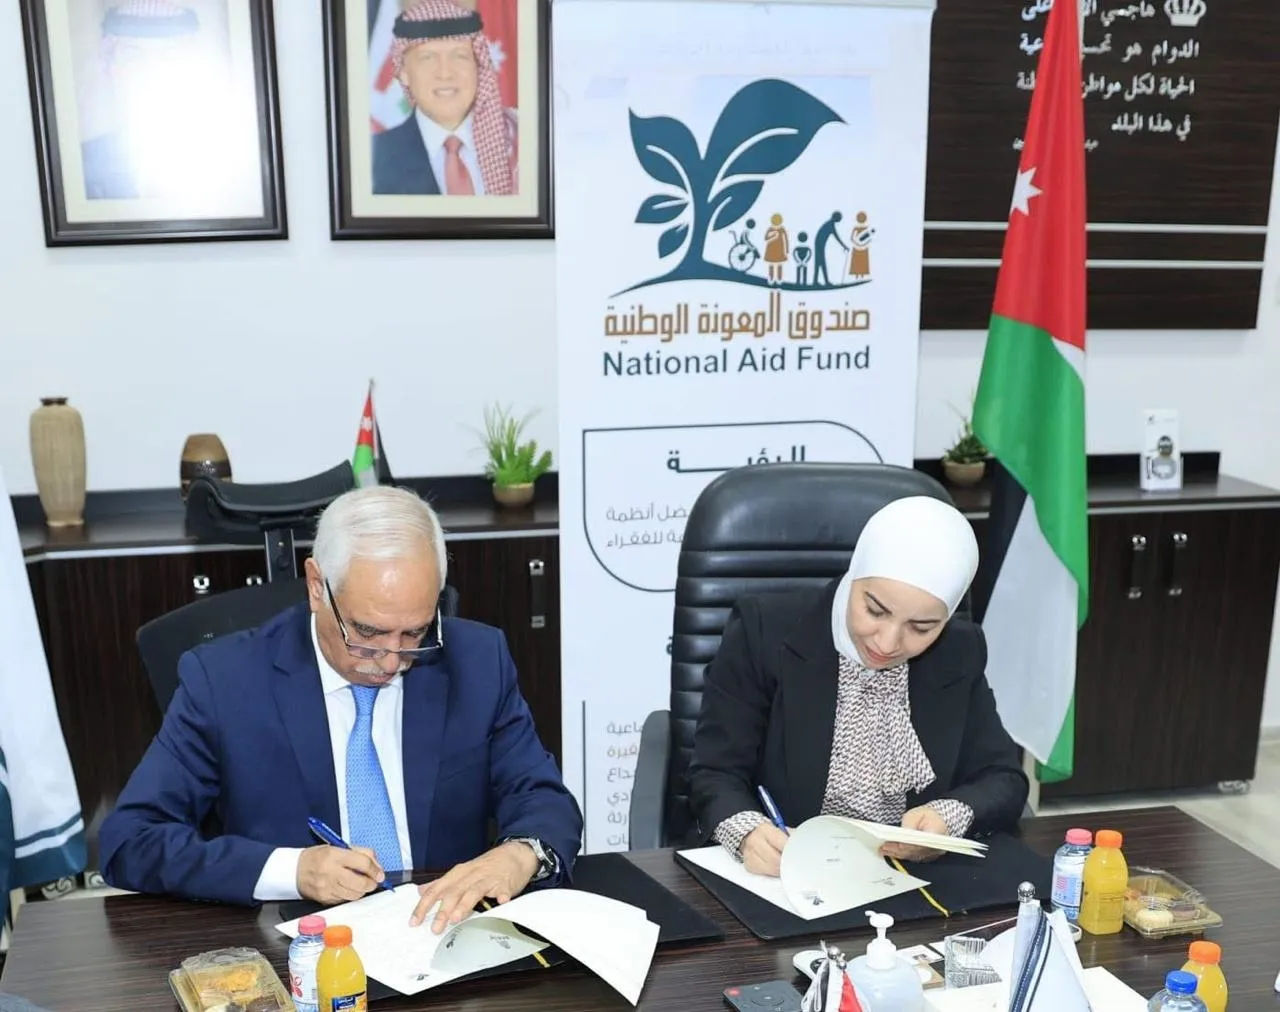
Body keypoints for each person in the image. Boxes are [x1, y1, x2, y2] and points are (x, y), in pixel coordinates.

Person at [99, 486, 581, 933]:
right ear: (317, 586)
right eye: (367, 633)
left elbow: (543, 796)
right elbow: (129, 841)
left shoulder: (476, 661)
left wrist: (521, 854)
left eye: (415, 632)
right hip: (294, 949)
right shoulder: (224, 681)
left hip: (444, 938)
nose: (391, 661)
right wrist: (293, 870)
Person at [686, 495, 1028, 877]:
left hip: (906, 879)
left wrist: (947, 817)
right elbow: (714, 772)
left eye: (921, 627)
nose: (887, 643)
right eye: (875, 610)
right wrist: (747, 832)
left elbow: (1003, 779)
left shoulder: (959, 651)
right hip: (788, 875)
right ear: (854, 576)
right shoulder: (763, 632)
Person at [372, 0, 518, 196]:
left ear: (478, 65)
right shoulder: (373, 160)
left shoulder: (520, 142)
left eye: (459, 56)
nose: (445, 73)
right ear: (404, 72)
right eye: (428, 58)